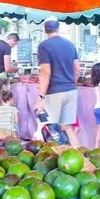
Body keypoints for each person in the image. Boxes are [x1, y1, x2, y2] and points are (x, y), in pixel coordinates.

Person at [35, 18, 81, 147]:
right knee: (68, 128)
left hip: (54, 92)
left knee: (54, 131)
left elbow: (45, 72)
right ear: (58, 29)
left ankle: (62, 162)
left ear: (45, 30)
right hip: (70, 90)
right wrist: (72, 84)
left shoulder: (44, 46)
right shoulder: (70, 45)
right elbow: (77, 69)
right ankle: (81, 160)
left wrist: (40, 97)